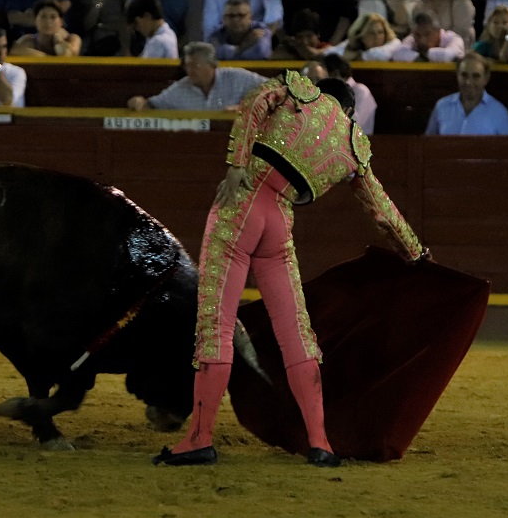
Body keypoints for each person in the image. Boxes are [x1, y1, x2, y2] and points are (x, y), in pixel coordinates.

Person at [152, 69, 427, 468]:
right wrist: (417, 253)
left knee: (217, 325)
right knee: (296, 332)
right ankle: (320, 442)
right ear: (349, 110)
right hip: (279, 223)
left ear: (322, 92)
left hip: (242, 203)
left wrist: (236, 164)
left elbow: (254, 102)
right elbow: (383, 212)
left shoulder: (300, 93)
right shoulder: (352, 142)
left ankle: (199, 437)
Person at [127, 40, 267, 110]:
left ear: (211, 65)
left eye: (195, 65)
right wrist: (139, 102)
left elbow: (277, 89)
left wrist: (247, 109)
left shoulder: (237, 78)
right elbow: (152, 105)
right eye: (187, 66)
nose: (190, 71)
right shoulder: (181, 88)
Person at [424, 51, 508, 134]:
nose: (468, 82)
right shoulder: (441, 107)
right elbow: (429, 145)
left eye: (476, 76)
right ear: (457, 75)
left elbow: (506, 149)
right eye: (464, 75)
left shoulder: (499, 113)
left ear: (486, 78)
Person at [321, 53, 377, 135]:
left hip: (359, 144)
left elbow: (354, 123)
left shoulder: (361, 91)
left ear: (334, 74)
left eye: (323, 75)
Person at [11, 0, 82, 56]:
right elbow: (13, 50)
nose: (48, 21)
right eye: (43, 16)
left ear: (61, 22)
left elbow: (66, 55)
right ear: (35, 20)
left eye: (53, 17)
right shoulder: (28, 40)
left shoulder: (73, 39)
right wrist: (47, 58)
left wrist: (58, 39)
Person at [394, 8, 467, 62]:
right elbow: (398, 53)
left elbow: (449, 55)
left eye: (427, 34)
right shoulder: (412, 38)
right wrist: (421, 57)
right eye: (418, 35)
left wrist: (422, 55)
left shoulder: (454, 38)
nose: (422, 40)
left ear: (438, 31)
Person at [327, 12, 402, 62]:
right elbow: (329, 53)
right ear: (361, 36)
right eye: (371, 33)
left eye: (380, 32)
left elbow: (381, 55)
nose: (377, 37)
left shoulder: (394, 42)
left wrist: (358, 55)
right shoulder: (352, 42)